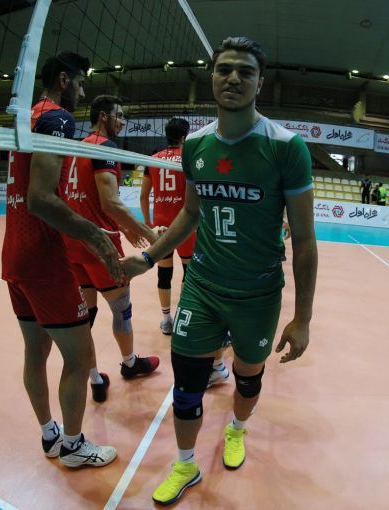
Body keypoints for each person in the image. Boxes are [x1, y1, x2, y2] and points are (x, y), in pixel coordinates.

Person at [121, 36, 318, 506]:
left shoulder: (286, 148)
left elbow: (306, 240)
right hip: (203, 287)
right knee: (187, 384)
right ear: (211, 76)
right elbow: (190, 214)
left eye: (245, 71)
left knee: (248, 377)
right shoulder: (196, 145)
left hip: (258, 294)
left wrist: (303, 318)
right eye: (224, 69)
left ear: (259, 83)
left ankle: (236, 429)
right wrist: (147, 258)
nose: (233, 78)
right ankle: (185, 464)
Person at [1, 51, 120, 469]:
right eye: (81, 83)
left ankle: (49, 434)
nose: (83, 93)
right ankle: (72, 446)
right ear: (65, 80)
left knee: (36, 351)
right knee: (80, 356)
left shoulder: (27, 116)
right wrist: (95, 235)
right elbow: (40, 199)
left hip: (14, 252)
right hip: (44, 256)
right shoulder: (57, 118)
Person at [61, 94, 160, 402]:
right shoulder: (105, 147)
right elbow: (110, 203)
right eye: (119, 115)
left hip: (72, 242)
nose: (123, 122)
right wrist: (148, 233)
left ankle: (94, 379)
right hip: (100, 245)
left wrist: (126, 228)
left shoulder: (73, 149)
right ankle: (130, 364)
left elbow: (86, 198)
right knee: (121, 309)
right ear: (103, 116)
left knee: (85, 316)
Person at [140, 118, 194, 335]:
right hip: (185, 226)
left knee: (164, 274)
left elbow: (143, 196)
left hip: (161, 226)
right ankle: (181, 317)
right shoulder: (188, 158)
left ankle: (166, 320)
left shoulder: (153, 159)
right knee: (189, 273)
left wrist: (148, 225)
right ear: (183, 136)